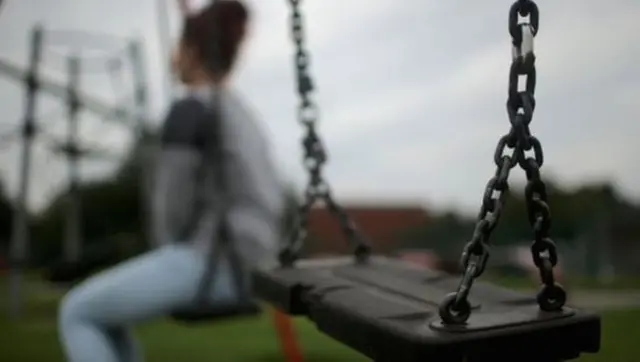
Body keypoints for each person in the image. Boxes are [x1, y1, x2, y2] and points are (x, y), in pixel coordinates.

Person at [58, 2, 284, 361]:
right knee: (109, 319)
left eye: (178, 46)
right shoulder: (240, 113)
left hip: (213, 263)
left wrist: (168, 248)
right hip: (255, 264)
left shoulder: (190, 110)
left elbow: (171, 207)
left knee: (77, 312)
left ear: (191, 51)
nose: (172, 55)